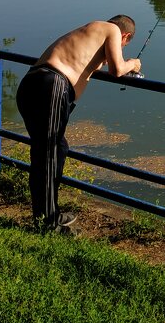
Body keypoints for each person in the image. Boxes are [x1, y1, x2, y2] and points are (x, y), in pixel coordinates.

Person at [16, 15, 142, 232]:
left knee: (57, 149)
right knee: (47, 155)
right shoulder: (112, 29)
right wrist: (133, 63)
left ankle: (48, 214)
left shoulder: (91, 31)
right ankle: (47, 223)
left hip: (33, 83)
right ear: (126, 36)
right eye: (122, 45)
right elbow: (117, 69)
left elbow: (85, 65)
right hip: (52, 86)